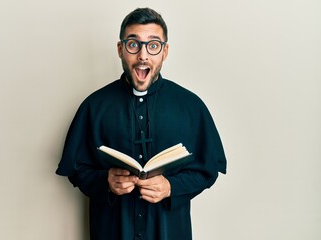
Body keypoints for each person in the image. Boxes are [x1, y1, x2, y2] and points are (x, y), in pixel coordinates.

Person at [56, 7, 227, 240]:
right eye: (133, 44)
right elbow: (76, 169)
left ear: (165, 51)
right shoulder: (94, 106)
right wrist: (105, 181)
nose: (143, 56)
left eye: (153, 45)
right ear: (120, 49)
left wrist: (171, 187)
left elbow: (207, 170)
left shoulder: (191, 106)